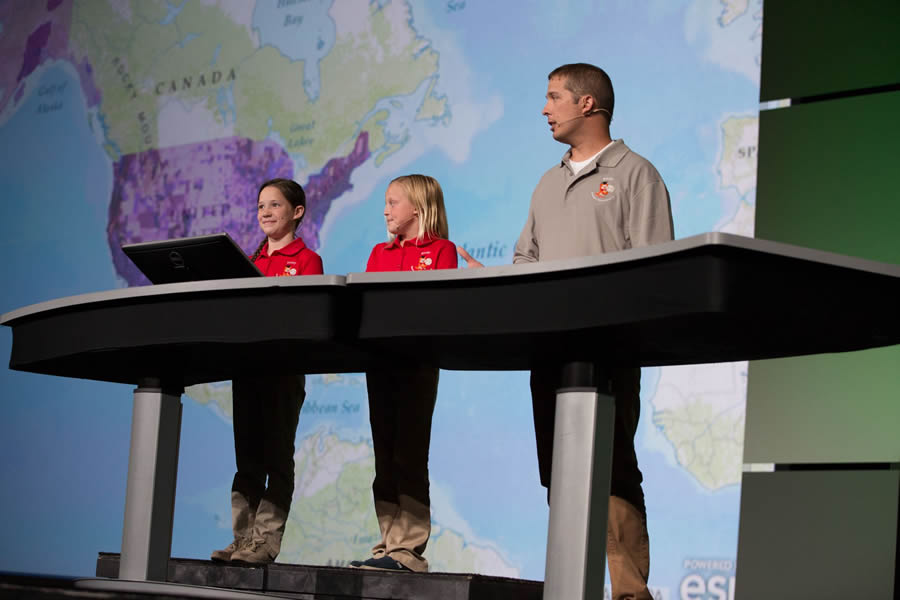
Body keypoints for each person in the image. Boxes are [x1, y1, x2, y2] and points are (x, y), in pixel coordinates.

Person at [459, 63, 673, 600]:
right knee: (560, 474)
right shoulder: (548, 181)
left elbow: (656, 269)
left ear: (587, 105)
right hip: (549, 350)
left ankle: (629, 594)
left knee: (613, 469)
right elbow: (526, 257)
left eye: (554, 97)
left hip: (609, 351)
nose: (544, 107)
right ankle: (571, 587)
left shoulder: (634, 173)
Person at [211, 178, 324, 564]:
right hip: (248, 367)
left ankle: (266, 541)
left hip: (284, 370)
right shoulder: (249, 262)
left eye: (274, 205)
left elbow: (307, 315)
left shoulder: (308, 261)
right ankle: (242, 539)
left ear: (297, 212)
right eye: (261, 206)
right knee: (247, 460)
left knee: (277, 457)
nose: (265, 213)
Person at [351, 174, 458, 572]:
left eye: (392, 202)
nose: (385, 210)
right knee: (384, 458)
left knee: (409, 454)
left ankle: (408, 549)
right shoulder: (379, 252)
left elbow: (439, 307)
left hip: (417, 362)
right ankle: (387, 543)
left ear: (417, 206)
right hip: (380, 361)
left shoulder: (443, 250)